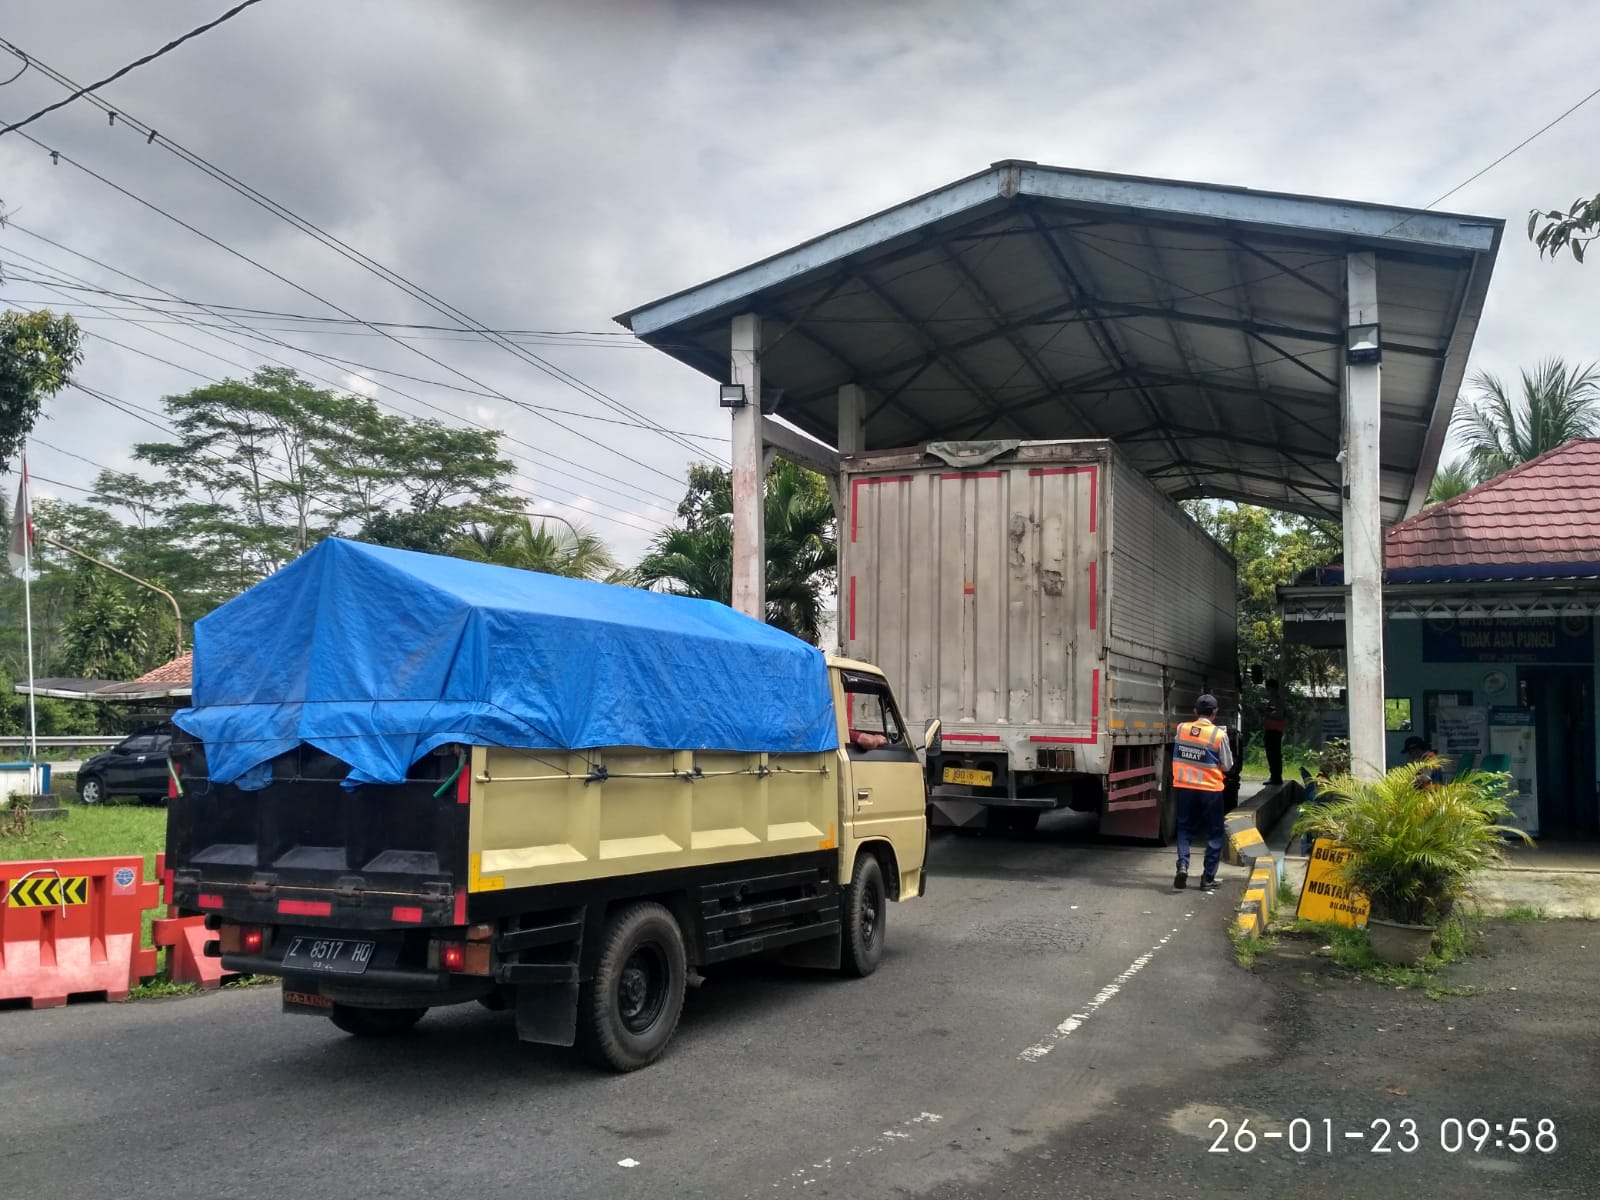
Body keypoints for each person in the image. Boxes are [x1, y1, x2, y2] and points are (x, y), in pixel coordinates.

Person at [1171, 693, 1233, 892]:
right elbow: (1227, 766)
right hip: (1210, 790)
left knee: (1184, 828)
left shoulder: (1181, 729)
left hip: (1184, 787)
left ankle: (1183, 864)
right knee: (1214, 832)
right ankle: (1207, 878)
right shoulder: (1218, 735)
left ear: (1195, 712)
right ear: (1214, 713)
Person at [1262, 678, 1286, 786]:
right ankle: (1273, 776)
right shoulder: (1271, 700)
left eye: (1269, 688)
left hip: (1275, 731)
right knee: (1270, 755)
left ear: (1273, 688)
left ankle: (1277, 777)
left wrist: (1267, 713)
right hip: (1269, 729)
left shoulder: (1278, 700)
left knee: (1275, 755)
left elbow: (1279, 715)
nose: (1268, 690)